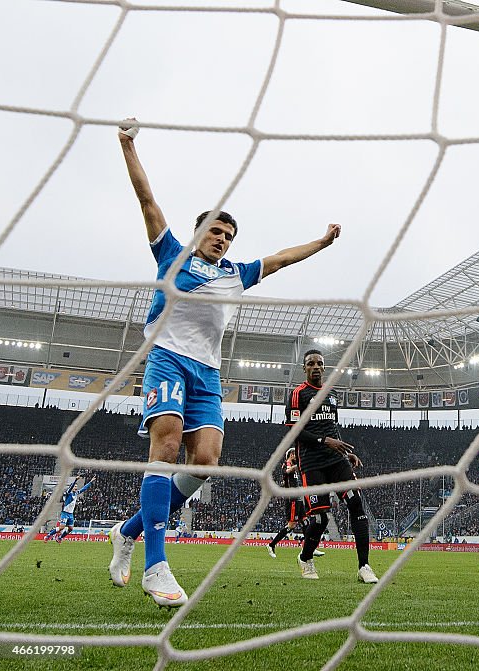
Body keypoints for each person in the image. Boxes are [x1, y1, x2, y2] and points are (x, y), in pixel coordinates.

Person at [107, 118, 344, 608]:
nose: (221, 239)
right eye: (215, 231)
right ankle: (156, 564)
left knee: (207, 464)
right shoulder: (172, 253)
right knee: (166, 448)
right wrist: (127, 146)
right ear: (199, 232)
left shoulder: (236, 274)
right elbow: (147, 201)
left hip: (208, 376)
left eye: (228, 235)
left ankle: (126, 532)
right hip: (168, 361)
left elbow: (279, 259)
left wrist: (320, 243)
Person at [287, 349, 377, 583]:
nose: (315, 367)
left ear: (324, 367)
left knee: (356, 504)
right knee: (320, 519)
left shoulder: (331, 394)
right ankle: (305, 558)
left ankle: (364, 566)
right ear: (304, 368)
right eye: (311, 363)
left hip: (336, 461)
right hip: (311, 463)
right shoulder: (298, 394)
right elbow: (294, 430)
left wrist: (346, 454)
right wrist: (324, 441)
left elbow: (331, 428)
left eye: (319, 363)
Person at [267, 447, 323, 559]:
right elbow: (287, 471)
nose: (296, 456)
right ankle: (271, 545)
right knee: (292, 525)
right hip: (291, 498)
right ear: (290, 455)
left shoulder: (295, 467)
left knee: (305, 521)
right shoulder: (286, 464)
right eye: (294, 454)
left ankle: (309, 548)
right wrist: (298, 465)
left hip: (298, 498)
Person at [46, 476, 96, 543]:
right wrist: (75, 480)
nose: (76, 488)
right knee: (61, 527)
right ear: (72, 487)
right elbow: (70, 488)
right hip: (65, 513)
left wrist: (90, 482)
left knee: (70, 528)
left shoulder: (76, 493)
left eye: (76, 486)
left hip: (70, 514)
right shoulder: (68, 493)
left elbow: (84, 488)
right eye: (74, 486)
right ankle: (48, 536)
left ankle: (60, 538)